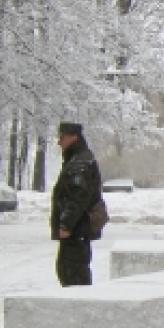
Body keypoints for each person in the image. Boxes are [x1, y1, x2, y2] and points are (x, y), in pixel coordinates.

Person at [51, 121, 104, 287]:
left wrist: (66, 224)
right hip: (77, 229)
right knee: (69, 270)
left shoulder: (80, 162)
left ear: (74, 137)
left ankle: (77, 308)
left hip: (77, 228)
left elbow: (77, 197)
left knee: (73, 272)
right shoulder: (77, 159)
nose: (59, 142)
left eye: (62, 137)